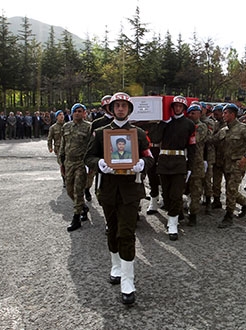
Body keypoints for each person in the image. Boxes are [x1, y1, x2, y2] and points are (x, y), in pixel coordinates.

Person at [84, 92, 153, 305]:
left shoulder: (139, 133)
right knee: (112, 230)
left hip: (131, 190)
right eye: (117, 106)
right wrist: (99, 165)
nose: (121, 109)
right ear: (111, 109)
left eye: (124, 105)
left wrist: (142, 164)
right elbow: (89, 157)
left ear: (129, 109)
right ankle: (115, 266)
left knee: (126, 232)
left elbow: (149, 157)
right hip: (109, 190)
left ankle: (128, 279)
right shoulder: (100, 132)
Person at [156, 95, 195, 241]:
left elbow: (192, 147)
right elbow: (154, 138)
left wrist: (190, 166)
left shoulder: (189, 124)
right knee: (166, 195)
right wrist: (162, 123)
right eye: (175, 106)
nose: (178, 108)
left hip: (179, 162)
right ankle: (173, 216)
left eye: (180, 106)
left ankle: (173, 224)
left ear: (184, 109)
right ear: (172, 107)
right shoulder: (164, 122)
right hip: (164, 161)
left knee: (176, 194)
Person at [214, 103, 246, 228]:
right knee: (230, 189)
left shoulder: (243, 128)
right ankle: (245, 204)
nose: (223, 115)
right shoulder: (224, 130)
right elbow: (213, 140)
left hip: (238, 164)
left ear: (232, 114)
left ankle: (228, 216)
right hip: (225, 164)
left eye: (225, 113)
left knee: (231, 189)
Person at [61, 103, 92, 232]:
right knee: (69, 190)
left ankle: (76, 217)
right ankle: (83, 207)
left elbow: (91, 146)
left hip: (81, 163)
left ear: (84, 113)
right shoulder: (66, 126)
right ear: (72, 113)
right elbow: (63, 145)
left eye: (80, 111)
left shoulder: (89, 127)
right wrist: (61, 163)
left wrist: (90, 165)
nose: (78, 113)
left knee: (78, 189)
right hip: (69, 163)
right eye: (75, 111)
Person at [185, 103, 209, 226]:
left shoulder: (201, 126)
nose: (190, 115)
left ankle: (193, 214)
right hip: (184, 162)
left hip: (196, 163)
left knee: (195, 190)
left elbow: (195, 139)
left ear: (199, 113)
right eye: (189, 113)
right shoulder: (186, 125)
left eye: (193, 113)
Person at [48, 110, 66, 187]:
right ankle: (64, 179)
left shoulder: (67, 126)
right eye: (60, 115)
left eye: (62, 115)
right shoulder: (53, 127)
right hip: (58, 148)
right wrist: (50, 147)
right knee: (62, 164)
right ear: (56, 117)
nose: (62, 116)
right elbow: (49, 138)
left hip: (67, 148)